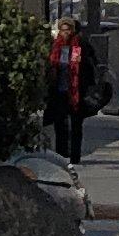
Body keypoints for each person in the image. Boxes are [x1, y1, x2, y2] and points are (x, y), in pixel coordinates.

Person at [45, 17, 96, 162]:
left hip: (76, 92)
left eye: (68, 30)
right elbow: (50, 66)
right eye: (62, 30)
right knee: (59, 124)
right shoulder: (55, 47)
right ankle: (61, 154)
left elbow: (90, 66)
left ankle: (75, 156)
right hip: (59, 92)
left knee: (76, 126)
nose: (65, 33)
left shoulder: (80, 46)